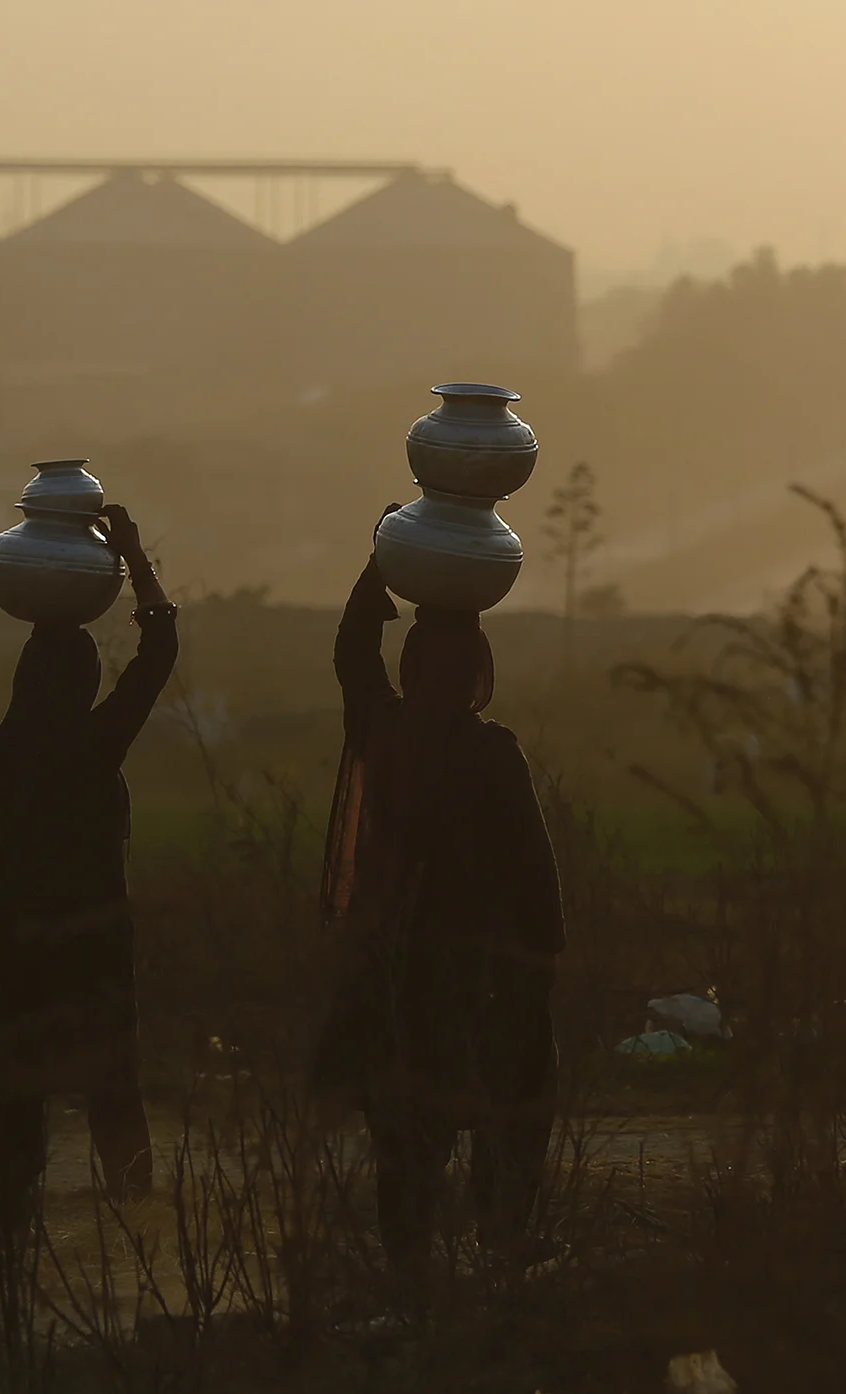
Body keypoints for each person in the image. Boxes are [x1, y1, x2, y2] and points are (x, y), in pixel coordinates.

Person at [310, 505, 565, 1282]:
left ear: (412, 664)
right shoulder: (494, 753)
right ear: (477, 672)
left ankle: (411, 1271)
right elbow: (534, 877)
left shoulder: (383, 731)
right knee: (508, 1107)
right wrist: (538, 968)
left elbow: (353, 654)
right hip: (479, 977)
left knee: (407, 1135)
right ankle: (498, 1247)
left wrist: (381, 559)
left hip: (398, 973)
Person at [0, 504, 178, 1286]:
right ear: (85, 683)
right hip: (91, 960)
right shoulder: (91, 747)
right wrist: (136, 560)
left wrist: (9, 925)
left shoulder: (1, 754)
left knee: (12, 1118)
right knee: (113, 1100)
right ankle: (141, 1248)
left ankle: (14, 1260)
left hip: (16, 964)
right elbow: (158, 657)